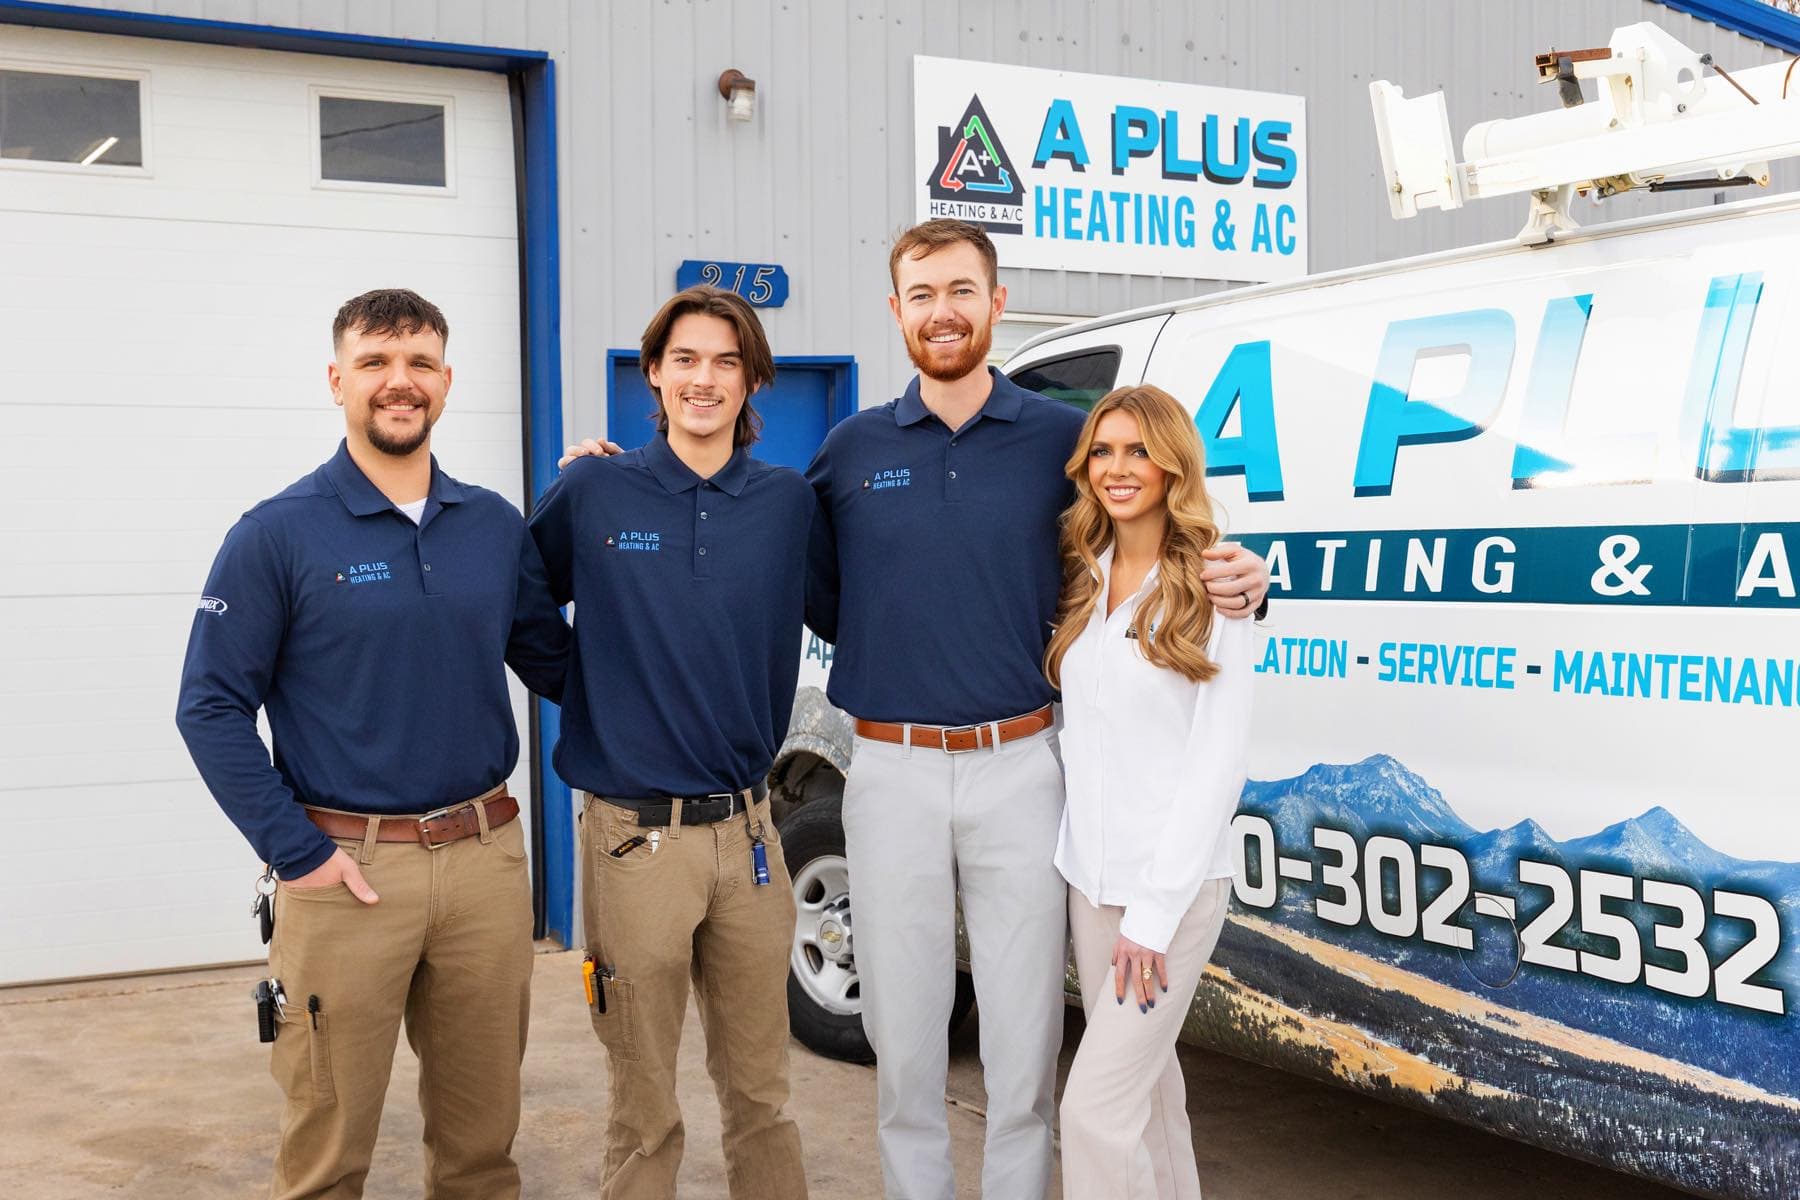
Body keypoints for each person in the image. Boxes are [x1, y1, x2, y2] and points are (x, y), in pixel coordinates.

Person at [802, 218, 1269, 1200]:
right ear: (896, 311)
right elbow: (809, 583)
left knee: (1024, 1051)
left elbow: (1155, 539)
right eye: (922, 294)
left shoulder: (1066, 442)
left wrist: (1249, 581)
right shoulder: (851, 450)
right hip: (887, 774)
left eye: (962, 290)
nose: (943, 312)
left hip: (1023, 769)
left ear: (996, 302)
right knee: (906, 1043)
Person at [175, 288, 571, 1200]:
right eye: (376, 364)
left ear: (445, 379)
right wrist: (296, 853)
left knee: (482, 1146)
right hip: (345, 873)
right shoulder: (276, 534)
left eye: (420, 363)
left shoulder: (492, 527)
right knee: (328, 1148)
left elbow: (559, 666)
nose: (400, 383)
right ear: (337, 380)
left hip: (483, 865)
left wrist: (619, 507)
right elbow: (209, 708)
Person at [527, 285, 813, 1200]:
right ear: (654, 373)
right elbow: (512, 601)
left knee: (763, 1095)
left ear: (751, 377)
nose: (704, 379)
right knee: (644, 1105)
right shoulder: (596, 488)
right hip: (634, 840)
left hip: (753, 837)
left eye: (726, 361)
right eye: (685, 359)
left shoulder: (786, 504)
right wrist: (590, 689)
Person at [1046, 384, 1255, 1199]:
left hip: (1166, 895)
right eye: (1103, 450)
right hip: (1089, 882)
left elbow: (1218, 761)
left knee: (1094, 1114)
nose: (1118, 468)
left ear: (1173, 464)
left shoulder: (1217, 586)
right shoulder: (1083, 576)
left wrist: (1154, 917)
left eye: (1139, 451)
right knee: (1149, 1097)